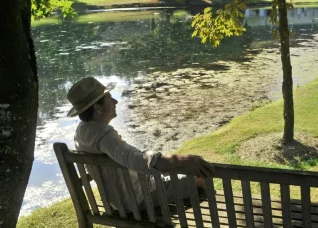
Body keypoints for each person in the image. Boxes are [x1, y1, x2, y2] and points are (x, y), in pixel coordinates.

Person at [66, 76, 214, 212]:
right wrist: (182, 161)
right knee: (200, 177)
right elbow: (135, 159)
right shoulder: (104, 136)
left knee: (172, 175)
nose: (115, 102)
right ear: (97, 109)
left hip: (119, 199)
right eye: (110, 99)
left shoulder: (82, 132)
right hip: (139, 198)